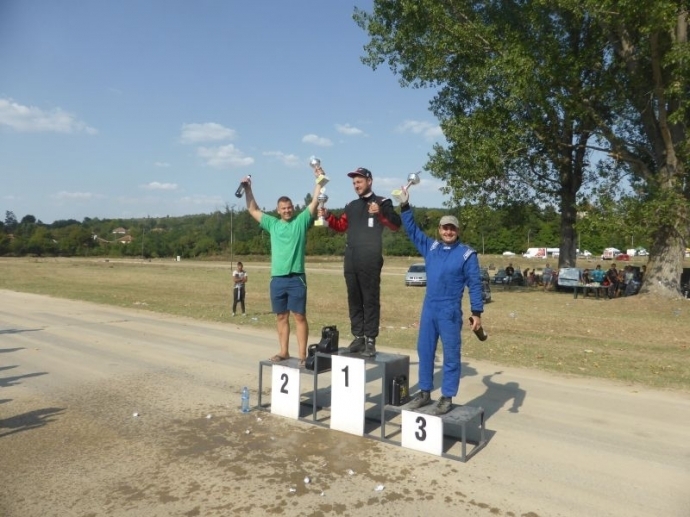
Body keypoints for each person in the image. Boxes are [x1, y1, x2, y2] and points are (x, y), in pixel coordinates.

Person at [396, 187, 484, 416]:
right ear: (439, 229)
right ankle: (425, 392)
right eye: (445, 228)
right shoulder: (431, 247)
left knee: (451, 355)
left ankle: (447, 397)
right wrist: (405, 206)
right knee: (424, 351)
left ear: (457, 231)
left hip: (449, 310)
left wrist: (477, 312)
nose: (448, 231)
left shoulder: (467, 254)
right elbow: (413, 230)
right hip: (429, 308)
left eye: (452, 228)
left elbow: (475, 284)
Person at [319, 167, 401, 357]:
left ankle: (370, 339)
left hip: (370, 258)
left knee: (370, 299)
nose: (356, 185)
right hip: (351, 258)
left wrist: (380, 213)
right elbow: (341, 226)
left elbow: (395, 225)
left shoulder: (383, 202)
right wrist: (328, 216)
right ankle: (358, 337)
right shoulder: (351, 205)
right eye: (354, 182)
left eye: (360, 181)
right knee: (354, 298)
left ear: (369, 181)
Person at [243, 174, 322, 366]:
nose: (287, 211)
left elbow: (314, 201)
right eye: (283, 208)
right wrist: (247, 189)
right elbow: (252, 209)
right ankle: (284, 352)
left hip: (296, 278)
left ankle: (302, 356)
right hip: (277, 278)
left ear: (293, 208)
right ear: (278, 210)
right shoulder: (272, 224)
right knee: (281, 316)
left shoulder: (301, 221)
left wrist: (319, 179)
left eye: (289, 207)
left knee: (299, 316)